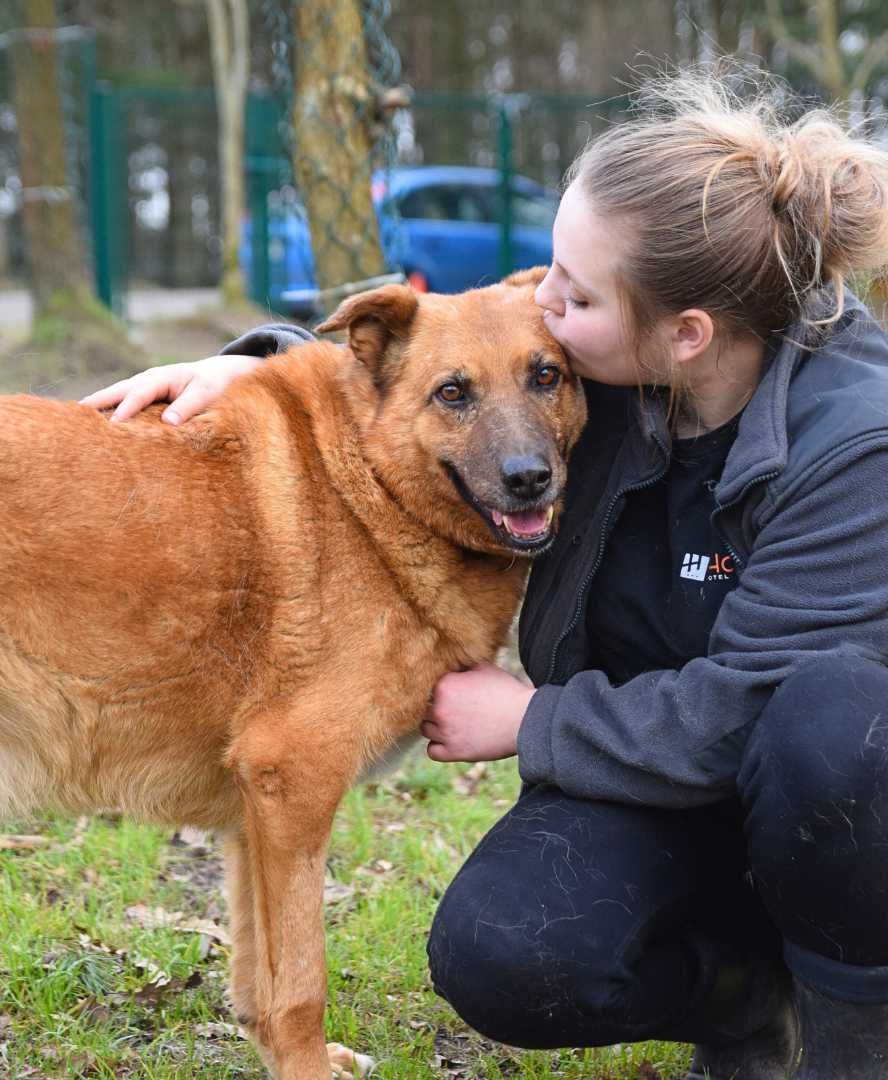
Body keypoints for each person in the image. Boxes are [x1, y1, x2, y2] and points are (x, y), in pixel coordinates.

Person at [81, 67, 888, 1079]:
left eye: (574, 292)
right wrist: (260, 369)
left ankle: (854, 1035)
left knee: (835, 717)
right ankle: (743, 998)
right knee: (502, 957)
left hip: (842, 825)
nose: (545, 301)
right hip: (648, 785)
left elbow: (747, 708)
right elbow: (452, 369)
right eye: (551, 268)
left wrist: (529, 723)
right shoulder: (599, 375)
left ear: (684, 336)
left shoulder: (860, 446)